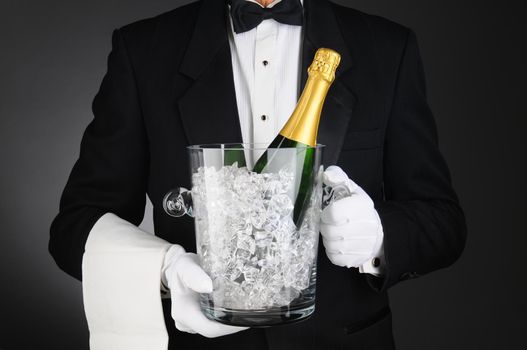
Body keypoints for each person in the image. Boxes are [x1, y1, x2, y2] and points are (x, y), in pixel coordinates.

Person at [49, 0, 467, 349]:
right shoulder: (143, 50)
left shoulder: (388, 47)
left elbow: (443, 222)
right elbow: (75, 228)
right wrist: (164, 269)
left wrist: (377, 236)